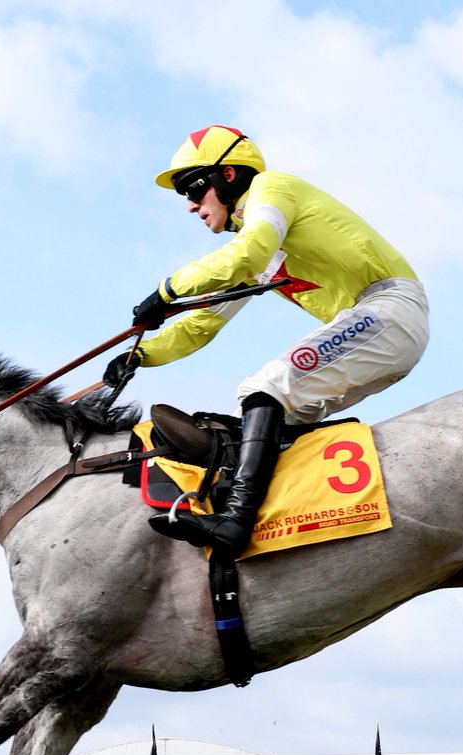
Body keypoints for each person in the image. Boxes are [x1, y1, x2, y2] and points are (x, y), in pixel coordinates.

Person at [104, 125, 429, 557]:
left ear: (230, 177)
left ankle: (236, 521)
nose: (190, 205)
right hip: (372, 328)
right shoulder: (255, 245)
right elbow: (202, 322)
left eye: (193, 187)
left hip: (388, 308)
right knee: (270, 421)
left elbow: (249, 253)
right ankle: (294, 525)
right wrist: (141, 354)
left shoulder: (270, 190)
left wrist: (169, 288)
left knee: (263, 387)